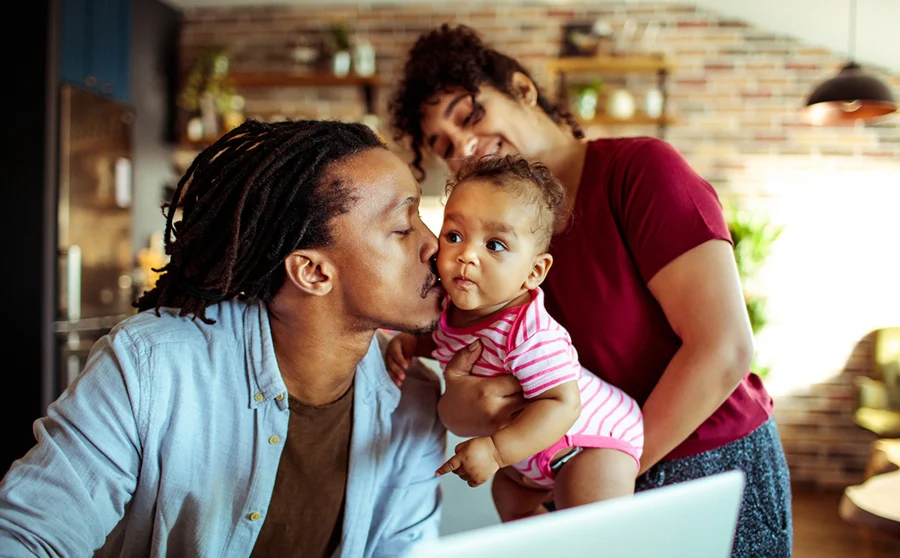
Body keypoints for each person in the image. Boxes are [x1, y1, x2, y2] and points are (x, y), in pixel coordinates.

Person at [389, 24, 792, 557]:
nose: (463, 146)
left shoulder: (640, 172)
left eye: (470, 115)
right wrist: (468, 410)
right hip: (573, 474)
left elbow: (724, 350)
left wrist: (601, 476)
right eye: (442, 145)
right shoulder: (482, 252)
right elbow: (481, 383)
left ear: (523, 90)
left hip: (704, 463)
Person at [0, 120, 451, 558]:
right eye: (402, 227)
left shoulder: (414, 395)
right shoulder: (148, 368)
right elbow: (28, 536)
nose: (436, 246)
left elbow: (405, 548)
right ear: (312, 272)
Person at [386, 155, 643, 521]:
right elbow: (446, 339)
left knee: (587, 532)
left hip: (588, 441)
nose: (466, 255)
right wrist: (413, 343)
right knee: (508, 499)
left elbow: (563, 402)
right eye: (454, 236)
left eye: (494, 245)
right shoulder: (447, 308)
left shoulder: (529, 332)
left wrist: (494, 452)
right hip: (526, 455)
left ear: (534, 271)